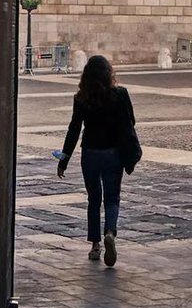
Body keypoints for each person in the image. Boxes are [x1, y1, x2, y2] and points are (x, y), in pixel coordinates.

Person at [57, 55, 134, 266]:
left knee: (94, 199)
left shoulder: (81, 98)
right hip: (113, 152)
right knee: (112, 198)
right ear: (109, 73)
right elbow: (131, 121)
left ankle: (95, 245)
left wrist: (64, 158)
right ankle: (110, 232)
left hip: (90, 152)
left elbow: (74, 129)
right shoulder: (120, 94)